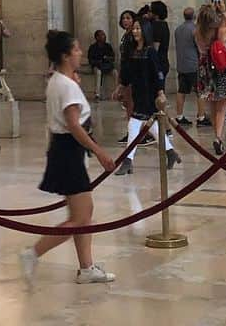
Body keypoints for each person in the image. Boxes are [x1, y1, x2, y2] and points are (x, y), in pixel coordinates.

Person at [19, 30, 115, 286]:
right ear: (65, 55)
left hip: (64, 151)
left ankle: (87, 268)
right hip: (69, 152)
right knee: (80, 218)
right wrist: (99, 150)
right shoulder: (66, 85)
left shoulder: (58, 81)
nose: (80, 53)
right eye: (76, 50)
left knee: (83, 213)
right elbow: (74, 125)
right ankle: (33, 253)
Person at [116, 20, 180, 174]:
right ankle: (171, 153)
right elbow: (127, 72)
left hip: (149, 94)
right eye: (134, 29)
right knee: (153, 127)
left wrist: (160, 92)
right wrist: (121, 86)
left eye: (138, 28)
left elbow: (157, 72)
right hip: (138, 93)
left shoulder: (150, 51)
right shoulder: (132, 51)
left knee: (133, 125)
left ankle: (127, 160)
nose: (135, 31)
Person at [195, 0, 226, 155]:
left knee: (212, 105)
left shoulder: (198, 32)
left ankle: (216, 134)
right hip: (220, 68)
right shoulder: (220, 32)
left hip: (205, 68)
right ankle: (218, 137)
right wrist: (224, 12)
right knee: (222, 107)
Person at [173, 7, 203, 126]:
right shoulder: (195, 29)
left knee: (181, 91)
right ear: (194, 16)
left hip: (181, 64)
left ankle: (179, 116)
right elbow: (199, 46)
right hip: (193, 64)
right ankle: (201, 117)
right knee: (200, 91)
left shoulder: (178, 29)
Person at [114, 9, 138, 136]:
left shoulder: (131, 37)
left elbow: (130, 59)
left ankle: (134, 134)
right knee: (128, 104)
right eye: (123, 18)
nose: (125, 20)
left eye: (128, 18)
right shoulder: (125, 36)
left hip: (131, 74)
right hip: (125, 71)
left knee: (131, 104)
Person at [86, 30, 115, 102]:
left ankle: (117, 93)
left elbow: (113, 57)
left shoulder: (108, 46)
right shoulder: (93, 47)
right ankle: (97, 95)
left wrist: (107, 58)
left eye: (104, 35)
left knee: (115, 73)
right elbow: (90, 60)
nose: (104, 36)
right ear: (97, 37)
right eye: (102, 35)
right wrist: (99, 61)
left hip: (107, 66)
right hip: (97, 66)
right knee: (98, 72)